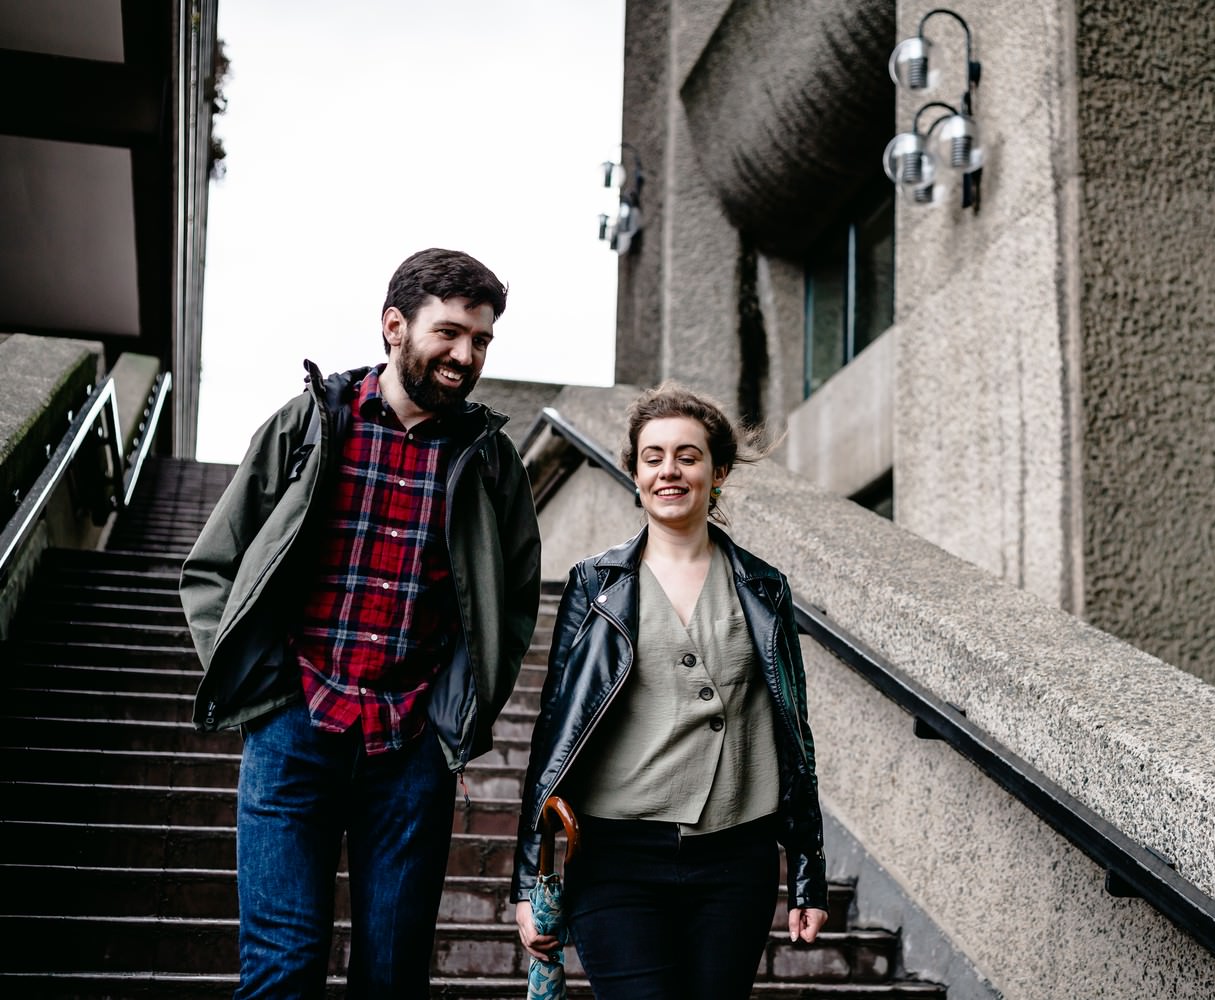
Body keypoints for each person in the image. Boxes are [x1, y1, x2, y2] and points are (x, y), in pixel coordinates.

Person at [179, 247, 542, 998]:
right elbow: (214, 565)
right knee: (282, 971)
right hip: (292, 731)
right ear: (394, 325)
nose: (464, 356)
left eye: (480, 342)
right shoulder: (311, 423)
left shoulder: (491, 461)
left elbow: (514, 605)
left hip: (410, 750)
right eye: (449, 334)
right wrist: (260, 685)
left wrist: (456, 713)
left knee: (392, 977)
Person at [511, 382, 829, 999]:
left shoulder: (765, 589)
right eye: (653, 457)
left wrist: (809, 871)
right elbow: (556, 729)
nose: (669, 471)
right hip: (615, 855)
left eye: (688, 455)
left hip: (737, 858)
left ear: (719, 471)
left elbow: (796, 731)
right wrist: (529, 881)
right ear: (633, 473)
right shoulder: (595, 586)